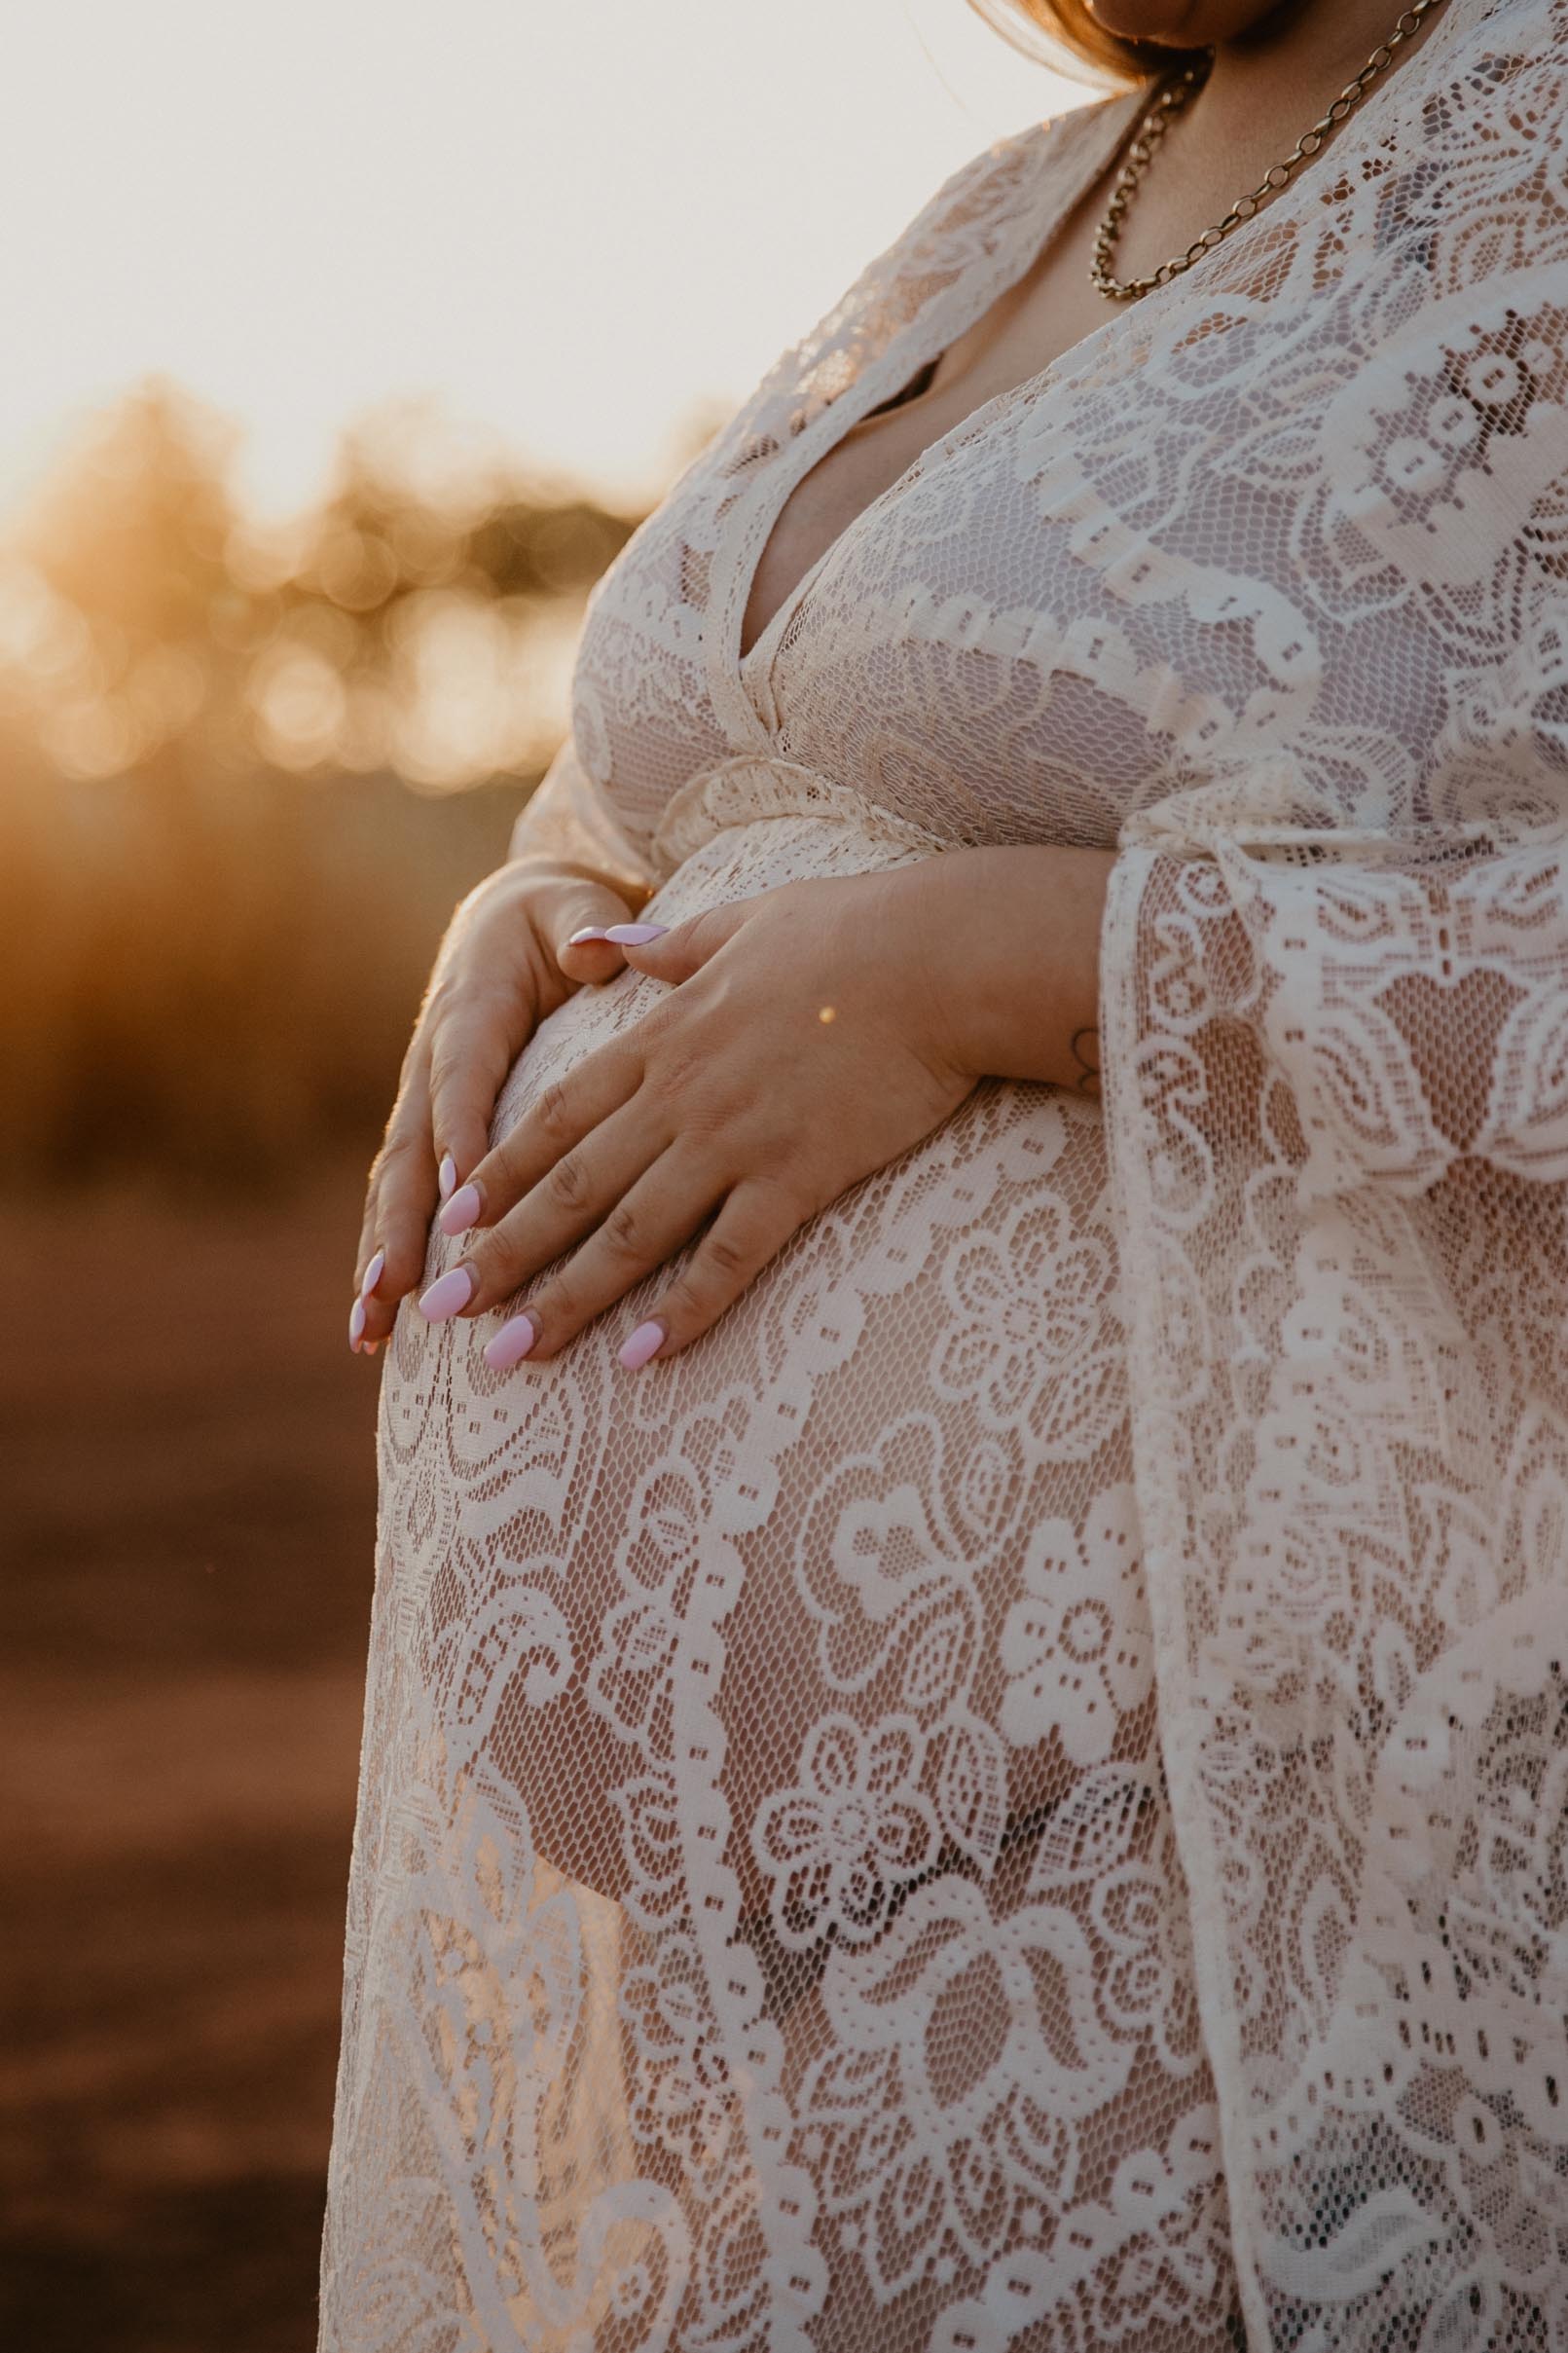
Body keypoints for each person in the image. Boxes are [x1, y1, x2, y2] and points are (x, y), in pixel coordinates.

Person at [321, 3, 1568, 2345]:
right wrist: (523, 923)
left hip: (1210, 1922)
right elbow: (668, 793)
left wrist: (994, 972)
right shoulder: (989, 219)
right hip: (738, 2022)